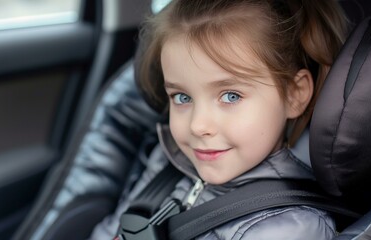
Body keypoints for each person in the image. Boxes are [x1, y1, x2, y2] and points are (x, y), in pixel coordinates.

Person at [90, 0, 348, 239]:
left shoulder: (291, 228)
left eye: (231, 96)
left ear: (294, 95)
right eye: (181, 97)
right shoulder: (167, 162)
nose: (197, 126)